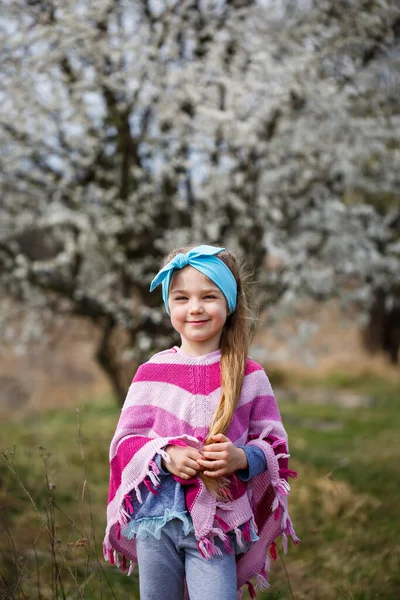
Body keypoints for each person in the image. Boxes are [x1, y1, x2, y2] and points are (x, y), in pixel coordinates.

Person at [103, 244, 298, 600]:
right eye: (181, 298)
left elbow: (274, 447)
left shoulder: (249, 375)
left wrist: (241, 459)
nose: (194, 308)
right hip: (155, 522)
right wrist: (165, 455)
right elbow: (125, 443)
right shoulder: (152, 373)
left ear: (228, 303)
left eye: (208, 296)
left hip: (218, 522)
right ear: (168, 305)